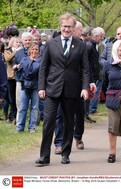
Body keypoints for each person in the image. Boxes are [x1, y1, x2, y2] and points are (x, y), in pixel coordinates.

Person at [35, 13, 90, 165]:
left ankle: (66, 153)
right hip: (52, 88)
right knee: (48, 122)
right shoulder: (51, 43)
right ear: (60, 27)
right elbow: (43, 67)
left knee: (68, 122)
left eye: (69, 27)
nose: (66, 29)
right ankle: (44, 156)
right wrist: (41, 87)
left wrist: (85, 88)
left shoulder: (81, 46)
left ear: (73, 28)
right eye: (64, 26)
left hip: (72, 90)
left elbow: (85, 69)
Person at [16, 43, 41, 133]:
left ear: (39, 51)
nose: (34, 51)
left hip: (35, 86)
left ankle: (32, 128)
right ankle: (19, 128)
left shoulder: (40, 60)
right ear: (29, 50)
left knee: (34, 108)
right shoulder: (25, 59)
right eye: (33, 49)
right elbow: (20, 70)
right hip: (25, 86)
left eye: (36, 49)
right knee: (22, 107)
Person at [4, 37, 22, 124]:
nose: (18, 43)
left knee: (18, 98)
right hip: (10, 77)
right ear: (12, 42)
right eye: (16, 42)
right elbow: (7, 59)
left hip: (19, 76)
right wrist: (16, 52)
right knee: (11, 98)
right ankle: (12, 116)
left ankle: (16, 116)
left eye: (19, 42)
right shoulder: (8, 50)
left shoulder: (21, 51)